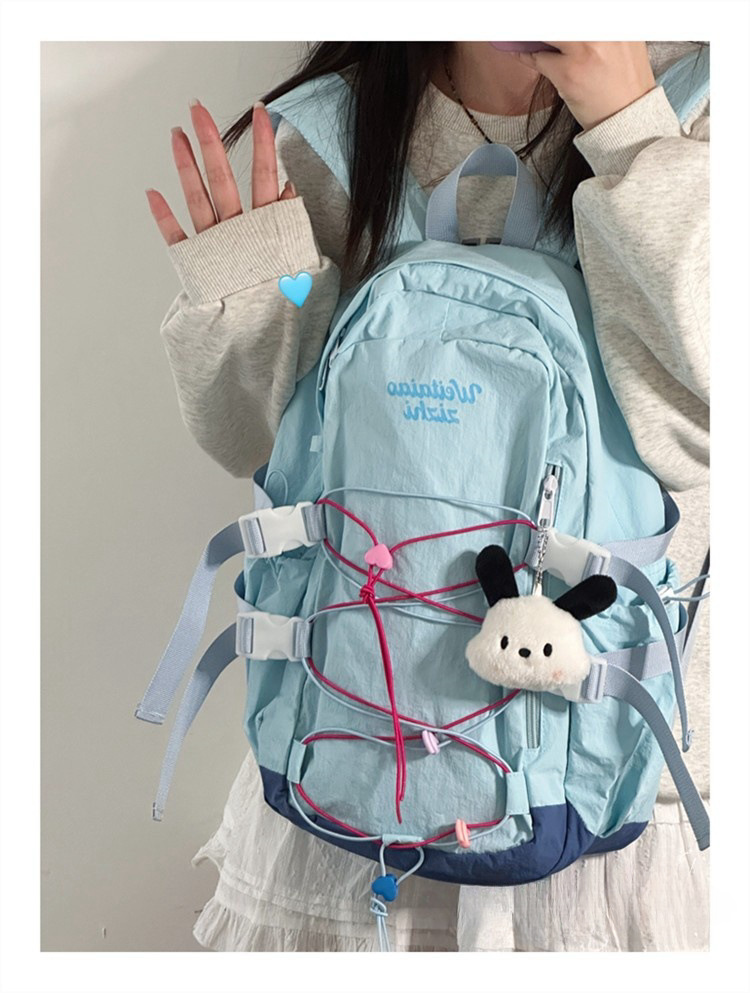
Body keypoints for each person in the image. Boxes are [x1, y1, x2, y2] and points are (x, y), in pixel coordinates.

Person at [145, 41, 709, 952]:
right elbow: (256, 440)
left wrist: (632, 134)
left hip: (616, 783)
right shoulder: (329, 132)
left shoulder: (698, 108)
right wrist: (245, 302)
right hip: (353, 760)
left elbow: (703, 429)